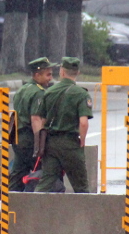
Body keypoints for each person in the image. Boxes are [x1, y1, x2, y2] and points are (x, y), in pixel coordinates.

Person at [32, 57, 94, 193]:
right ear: (77, 72)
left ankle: (33, 211)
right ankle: (83, 214)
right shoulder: (81, 94)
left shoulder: (49, 92)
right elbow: (83, 122)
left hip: (51, 143)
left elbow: (40, 119)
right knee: (81, 186)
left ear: (61, 72)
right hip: (70, 144)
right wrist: (82, 140)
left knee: (46, 182)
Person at [8, 57, 54, 191]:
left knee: (17, 175)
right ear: (37, 75)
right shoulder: (39, 92)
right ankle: (34, 208)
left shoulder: (22, 89)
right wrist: (39, 145)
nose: (50, 78)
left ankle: (7, 209)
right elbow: (35, 119)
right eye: (48, 75)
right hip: (29, 140)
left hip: (18, 138)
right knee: (39, 176)